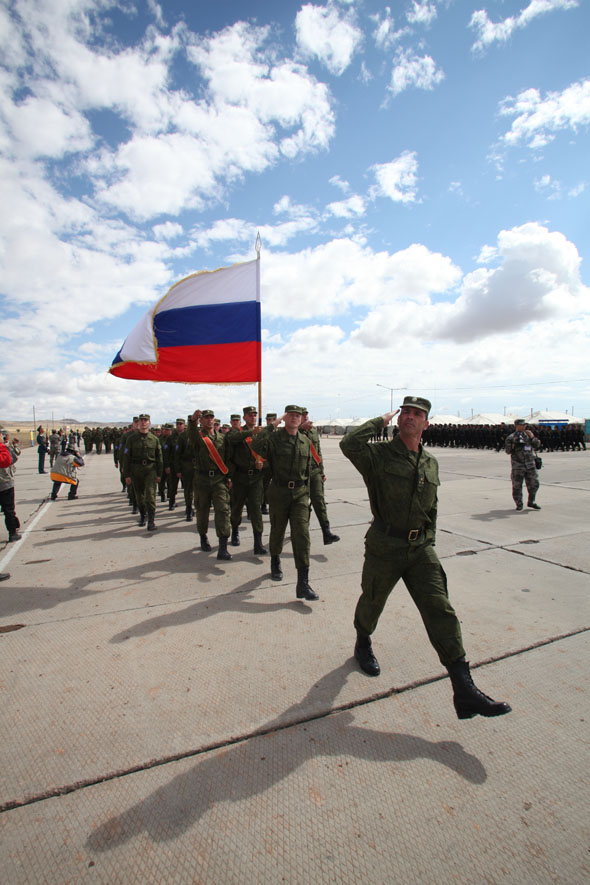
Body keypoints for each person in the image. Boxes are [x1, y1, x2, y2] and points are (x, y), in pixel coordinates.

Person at [340, 395, 511, 720]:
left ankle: (464, 689)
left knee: (440, 609)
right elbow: (349, 444)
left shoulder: (431, 462)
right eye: (405, 412)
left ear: (426, 423)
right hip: (385, 546)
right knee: (372, 602)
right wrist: (380, 420)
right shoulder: (378, 456)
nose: (410, 417)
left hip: (420, 550)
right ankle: (363, 640)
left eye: (417, 414)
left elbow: (431, 508)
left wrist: (427, 541)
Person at [249, 406, 318, 601]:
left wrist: (310, 496)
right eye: (291, 415)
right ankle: (275, 561)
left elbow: (308, 470)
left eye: (298, 416)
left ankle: (303, 583)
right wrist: (273, 425)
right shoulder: (274, 439)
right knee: (278, 530)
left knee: (302, 535)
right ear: (285, 418)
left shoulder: (306, 441)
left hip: (300, 494)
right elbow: (255, 446)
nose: (295, 418)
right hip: (279, 492)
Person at [189, 409, 233, 560]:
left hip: (219, 479)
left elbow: (227, 458)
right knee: (202, 510)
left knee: (223, 510)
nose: (209, 420)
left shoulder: (222, 438)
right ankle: (203, 536)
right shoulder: (199, 437)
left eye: (211, 417)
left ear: (215, 420)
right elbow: (192, 433)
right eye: (206, 418)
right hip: (202, 480)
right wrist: (193, 420)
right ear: (202, 421)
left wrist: (229, 477)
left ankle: (223, 548)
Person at [227, 406, 267, 555]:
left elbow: (268, 453)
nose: (253, 417)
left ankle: (258, 542)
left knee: (256, 509)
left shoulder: (261, 435)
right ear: (244, 417)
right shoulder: (238, 432)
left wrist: (263, 464)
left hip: (256, 478)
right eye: (250, 415)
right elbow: (231, 439)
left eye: (255, 415)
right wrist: (251, 432)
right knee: (237, 507)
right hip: (240, 477)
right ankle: (235, 531)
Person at [300, 408, 340, 545]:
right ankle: (301, 531)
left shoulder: (313, 431)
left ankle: (326, 532)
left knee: (319, 502)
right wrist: (300, 429)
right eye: (302, 415)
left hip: (315, 472)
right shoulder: (293, 431)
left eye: (306, 415)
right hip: (301, 475)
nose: (305, 417)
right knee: (302, 506)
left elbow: (318, 452)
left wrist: (322, 471)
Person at [121, 414, 162, 531]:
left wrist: (159, 474)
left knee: (150, 495)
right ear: (138, 423)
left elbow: (159, 458)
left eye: (146, 420)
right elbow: (126, 457)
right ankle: (143, 516)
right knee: (139, 496)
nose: (143, 422)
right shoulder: (131, 439)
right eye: (141, 421)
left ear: (149, 423)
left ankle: (151, 521)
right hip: (136, 470)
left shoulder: (154, 439)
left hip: (150, 470)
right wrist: (127, 475)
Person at [504, 419, 541, 510]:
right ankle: (519, 504)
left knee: (535, 484)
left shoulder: (528, 435)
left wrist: (532, 437)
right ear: (516, 425)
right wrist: (513, 443)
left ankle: (531, 501)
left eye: (524, 425)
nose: (524, 427)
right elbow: (508, 451)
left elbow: (537, 445)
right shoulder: (511, 437)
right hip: (518, 466)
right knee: (517, 486)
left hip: (530, 465)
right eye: (522, 425)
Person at [0, 432, 21, 541]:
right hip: (4, 483)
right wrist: (4, 446)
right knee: (9, 510)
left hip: (5, 483)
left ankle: (13, 528)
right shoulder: (3, 448)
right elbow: (8, 460)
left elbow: (15, 456)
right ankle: (12, 533)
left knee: (8, 510)